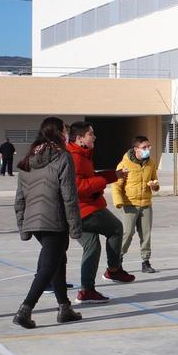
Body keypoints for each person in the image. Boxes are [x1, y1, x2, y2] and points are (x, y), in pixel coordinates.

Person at [12, 117, 83, 329]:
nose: (67, 133)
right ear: (58, 133)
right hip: (55, 220)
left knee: (57, 261)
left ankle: (64, 307)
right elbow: (69, 195)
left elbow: (19, 198)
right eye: (65, 130)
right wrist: (75, 226)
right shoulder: (63, 157)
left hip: (35, 222)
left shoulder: (28, 160)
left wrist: (23, 225)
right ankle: (25, 309)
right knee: (48, 265)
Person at [67, 121, 134, 304]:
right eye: (90, 134)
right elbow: (78, 186)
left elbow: (91, 176)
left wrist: (115, 175)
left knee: (92, 246)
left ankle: (86, 291)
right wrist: (103, 182)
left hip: (79, 211)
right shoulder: (74, 157)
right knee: (116, 228)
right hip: (84, 210)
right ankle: (113, 270)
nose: (94, 137)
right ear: (80, 138)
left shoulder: (82, 154)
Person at [114, 135, 159, 274]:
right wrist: (119, 202)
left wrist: (154, 186)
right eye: (144, 147)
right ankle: (117, 260)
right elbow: (116, 186)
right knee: (127, 233)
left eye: (148, 146)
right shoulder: (124, 164)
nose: (148, 149)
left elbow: (155, 181)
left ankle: (145, 262)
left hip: (146, 203)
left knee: (146, 234)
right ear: (136, 149)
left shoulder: (150, 163)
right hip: (129, 204)